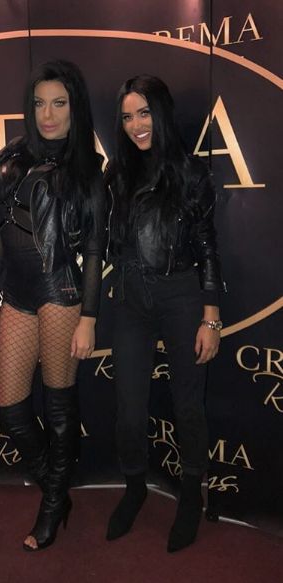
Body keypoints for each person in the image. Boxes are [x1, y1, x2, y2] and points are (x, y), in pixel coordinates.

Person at [0, 60, 105, 551]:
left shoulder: (87, 169)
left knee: (57, 404)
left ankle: (51, 504)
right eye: (39, 103)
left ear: (75, 108)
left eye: (59, 103)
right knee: (10, 408)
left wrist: (88, 317)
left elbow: (94, 250)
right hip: (16, 292)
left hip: (59, 293)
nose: (47, 115)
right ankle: (57, 488)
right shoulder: (13, 157)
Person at [104, 75, 225, 552]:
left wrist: (210, 316)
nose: (136, 124)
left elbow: (207, 245)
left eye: (144, 113)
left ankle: (191, 495)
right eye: (127, 116)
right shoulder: (117, 173)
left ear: (161, 113)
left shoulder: (191, 173)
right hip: (130, 298)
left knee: (188, 406)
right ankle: (135, 487)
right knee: (129, 410)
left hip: (181, 296)